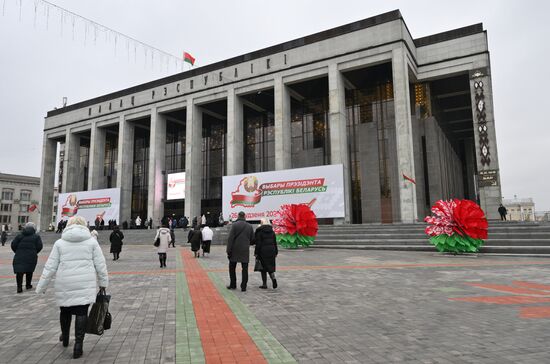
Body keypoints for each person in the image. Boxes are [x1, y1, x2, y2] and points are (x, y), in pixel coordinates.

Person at [36, 215, 108, 359]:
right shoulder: (92, 242)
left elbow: (50, 266)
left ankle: (66, 337)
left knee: (65, 310)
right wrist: (103, 283)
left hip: (65, 282)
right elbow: (101, 265)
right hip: (84, 282)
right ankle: (78, 346)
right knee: (81, 312)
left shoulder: (60, 243)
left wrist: (41, 286)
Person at [11, 222, 43, 293]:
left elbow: (13, 245)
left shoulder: (19, 236)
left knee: (19, 271)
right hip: (31, 256)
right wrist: (34, 252)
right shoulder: (36, 236)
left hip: (19, 255)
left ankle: (19, 287)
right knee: (29, 270)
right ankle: (28, 285)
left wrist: (17, 251)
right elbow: (39, 246)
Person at [226, 211, 254, 292]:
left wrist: (228, 250)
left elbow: (230, 239)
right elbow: (252, 239)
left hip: (234, 249)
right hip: (245, 250)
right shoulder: (249, 226)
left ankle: (233, 284)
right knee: (245, 269)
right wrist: (247, 243)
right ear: (245, 216)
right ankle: (243, 286)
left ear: (238, 216)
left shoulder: (234, 225)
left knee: (232, 267)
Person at [253, 218, 278, 289]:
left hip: (263, 251)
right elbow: (274, 242)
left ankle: (264, 284)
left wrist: (256, 253)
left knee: (263, 268)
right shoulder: (272, 231)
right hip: (271, 251)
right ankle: (273, 278)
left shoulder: (259, 231)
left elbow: (258, 243)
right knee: (270, 266)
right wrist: (276, 252)